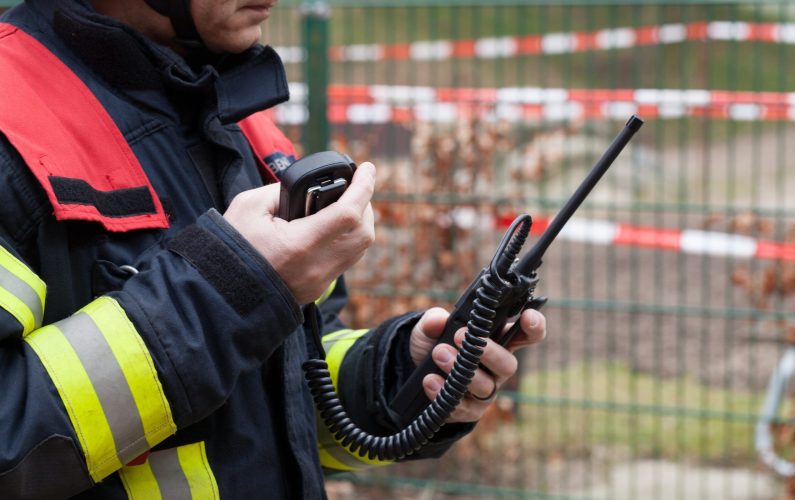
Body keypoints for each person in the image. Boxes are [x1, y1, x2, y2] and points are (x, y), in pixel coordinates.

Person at [0, 1, 547, 498]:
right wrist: (229, 289)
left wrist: (397, 376)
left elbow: (288, 393)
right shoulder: (10, 122)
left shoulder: (237, 120)